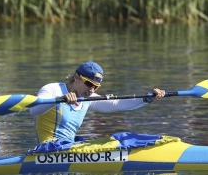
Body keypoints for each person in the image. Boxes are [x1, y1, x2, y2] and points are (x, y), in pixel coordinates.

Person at [29, 61, 165, 152]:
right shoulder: (53, 90)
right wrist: (59, 100)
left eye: (96, 87)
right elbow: (34, 110)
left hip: (68, 149)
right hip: (47, 150)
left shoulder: (87, 98)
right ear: (76, 77)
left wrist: (147, 99)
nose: (92, 90)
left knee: (122, 138)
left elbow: (117, 104)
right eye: (89, 84)